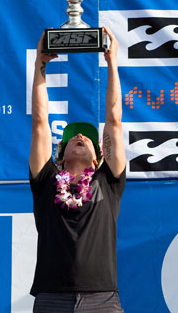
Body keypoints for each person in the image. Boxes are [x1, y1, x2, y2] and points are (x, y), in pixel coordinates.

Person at [28, 26, 126, 312]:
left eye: (87, 137)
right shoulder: (45, 179)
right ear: (60, 156)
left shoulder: (108, 180)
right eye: (72, 138)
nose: (80, 138)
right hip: (51, 298)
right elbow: (39, 122)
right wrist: (40, 65)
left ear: (98, 157)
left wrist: (112, 62)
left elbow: (114, 121)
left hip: (103, 299)